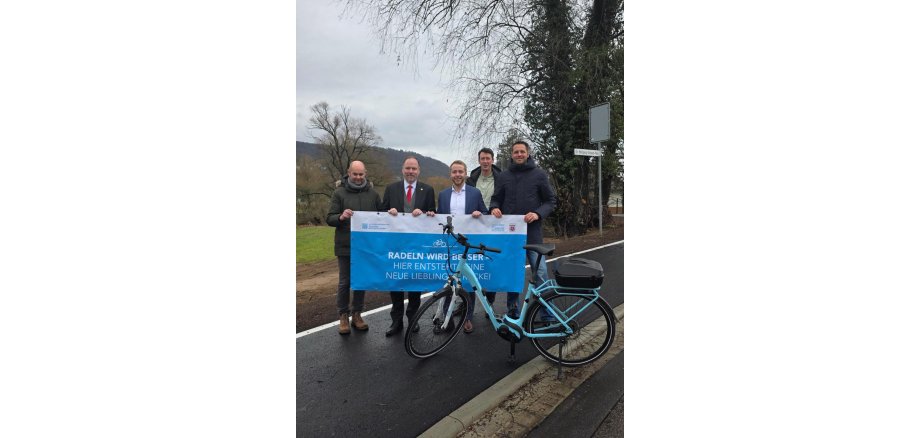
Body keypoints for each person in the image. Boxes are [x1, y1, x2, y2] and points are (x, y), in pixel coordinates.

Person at [489, 141, 556, 319]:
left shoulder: (539, 174)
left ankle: (547, 314)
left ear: (528, 154)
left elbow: (550, 201)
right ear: (511, 155)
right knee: (512, 274)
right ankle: (513, 310)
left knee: (540, 274)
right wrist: (494, 208)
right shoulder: (504, 176)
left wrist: (537, 213)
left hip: (532, 234)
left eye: (522, 151)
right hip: (511, 236)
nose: (519, 154)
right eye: (516, 152)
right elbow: (496, 199)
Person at [381, 157, 437, 337]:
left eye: (414, 168)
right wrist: (389, 213)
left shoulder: (427, 190)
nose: (411, 171)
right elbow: (381, 214)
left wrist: (426, 213)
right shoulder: (391, 189)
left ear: (419, 171)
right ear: (402, 170)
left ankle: (413, 317)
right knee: (396, 281)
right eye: (408, 168)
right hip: (396, 245)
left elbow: (433, 214)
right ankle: (396, 320)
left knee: (415, 282)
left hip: (417, 246)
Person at [326, 161, 382, 335]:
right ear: (349, 173)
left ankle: (357, 314)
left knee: (361, 280)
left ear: (365, 174)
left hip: (365, 246)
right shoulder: (339, 193)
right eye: (355, 174)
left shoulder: (373, 194)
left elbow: (382, 216)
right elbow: (329, 218)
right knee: (345, 282)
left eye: (361, 174)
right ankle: (343, 315)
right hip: (345, 245)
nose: (358, 177)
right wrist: (341, 216)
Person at [437, 160, 488, 333]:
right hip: (450, 243)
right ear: (450, 174)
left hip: (467, 244)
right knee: (450, 281)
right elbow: (439, 217)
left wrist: (480, 213)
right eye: (454, 172)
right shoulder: (443, 195)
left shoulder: (475, 193)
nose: (457, 175)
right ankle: (447, 316)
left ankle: (468, 317)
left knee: (468, 282)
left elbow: (485, 213)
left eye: (460, 171)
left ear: (466, 173)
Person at [466, 147, 503, 308]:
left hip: (495, 222)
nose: (486, 161)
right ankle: (468, 302)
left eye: (488, 158)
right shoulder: (472, 178)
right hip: (475, 222)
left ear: (492, 160)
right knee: (472, 260)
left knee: (490, 260)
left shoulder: (501, 177)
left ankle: (490, 298)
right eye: (483, 158)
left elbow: (505, 197)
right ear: (479, 160)